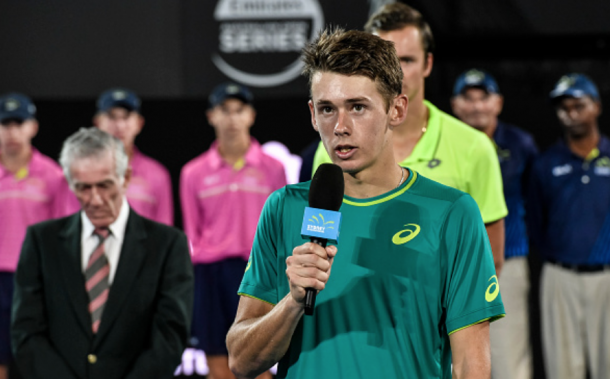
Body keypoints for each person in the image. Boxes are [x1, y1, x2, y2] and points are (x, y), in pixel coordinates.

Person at [226, 27, 505, 379]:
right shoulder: (283, 209)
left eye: (357, 107)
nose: (340, 126)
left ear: (396, 109)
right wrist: (294, 301)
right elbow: (241, 360)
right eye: (327, 109)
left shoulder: (452, 213)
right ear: (312, 114)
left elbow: (470, 365)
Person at [311, 3, 508, 277]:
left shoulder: (474, 148)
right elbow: (324, 245)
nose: (397, 73)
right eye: (384, 61)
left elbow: (488, 261)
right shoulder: (330, 151)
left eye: (406, 60)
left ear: (427, 63)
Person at [11, 127, 193, 379]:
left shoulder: (168, 244)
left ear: (125, 177)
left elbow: (170, 337)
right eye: (83, 188)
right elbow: (26, 332)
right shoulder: (41, 242)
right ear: (70, 183)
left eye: (105, 185)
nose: (95, 199)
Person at [180, 82, 285, 379]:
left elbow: (279, 226)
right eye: (224, 111)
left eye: (239, 110)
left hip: (258, 272)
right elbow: (193, 231)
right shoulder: (193, 172)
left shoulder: (273, 168)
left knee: (259, 357)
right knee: (217, 362)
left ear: (250, 115)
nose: (232, 118)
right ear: (211, 116)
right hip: (212, 274)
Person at [451, 69, 538, 379]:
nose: (476, 106)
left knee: (509, 354)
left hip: (510, 260)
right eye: (468, 98)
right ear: (454, 104)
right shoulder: (446, 144)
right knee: (455, 357)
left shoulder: (521, 144)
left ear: (498, 103)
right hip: (453, 266)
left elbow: (535, 200)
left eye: (483, 98)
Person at [528, 73, 610, 379]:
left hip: (607, 277)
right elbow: (536, 221)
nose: (571, 113)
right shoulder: (546, 163)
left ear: (597, 106)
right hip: (560, 276)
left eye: (579, 105)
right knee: (562, 368)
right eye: (564, 107)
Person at [0, 93, 77, 379]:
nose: (11, 132)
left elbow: (63, 232)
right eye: (5, 124)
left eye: (18, 123)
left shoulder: (54, 175)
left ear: (32, 127)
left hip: (37, 279)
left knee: (40, 360)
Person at [94, 88, 174, 225]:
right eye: (112, 117)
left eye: (126, 117)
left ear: (139, 123)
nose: (119, 125)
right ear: (97, 123)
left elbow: (165, 233)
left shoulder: (158, 174)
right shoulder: (82, 172)